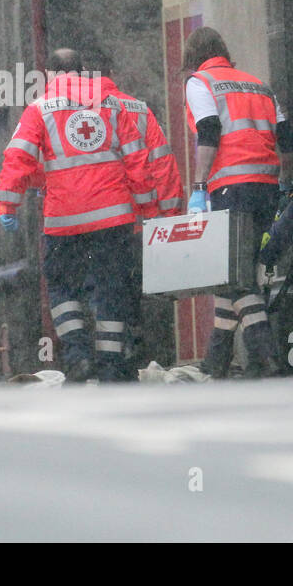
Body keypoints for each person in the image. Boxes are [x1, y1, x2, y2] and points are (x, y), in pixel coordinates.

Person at [0, 48, 154, 382]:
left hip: (64, 221)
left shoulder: (39, 110)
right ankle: (111, 368)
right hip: (113, 219)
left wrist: (8, 205)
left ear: (51, 76)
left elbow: (18, 158)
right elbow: (137, 159)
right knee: (111, 290)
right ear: (83, 73)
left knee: (62, 286)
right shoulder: (112, 106)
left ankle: (78, 355)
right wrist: (148, 209)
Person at [182, 27, 293, 378]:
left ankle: (267, 357)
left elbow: (209, 130)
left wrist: (199, 185)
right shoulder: (256, 84)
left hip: (231, 187)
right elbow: (289, 140)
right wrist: (280, 182)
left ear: (192, 58)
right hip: (265, 185)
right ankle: (214, 364)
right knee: (234, 271)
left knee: (239, 279)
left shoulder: (200, 82)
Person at [83, 49, 184, 378]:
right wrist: (168, 214)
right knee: (129, 287)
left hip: (95, 221)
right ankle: (134, 347)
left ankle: (110, 360)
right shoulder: (139, 109)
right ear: (111, 70)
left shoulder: (76, 113)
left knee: (103, 289)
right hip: (139, 222)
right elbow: (161, 161)